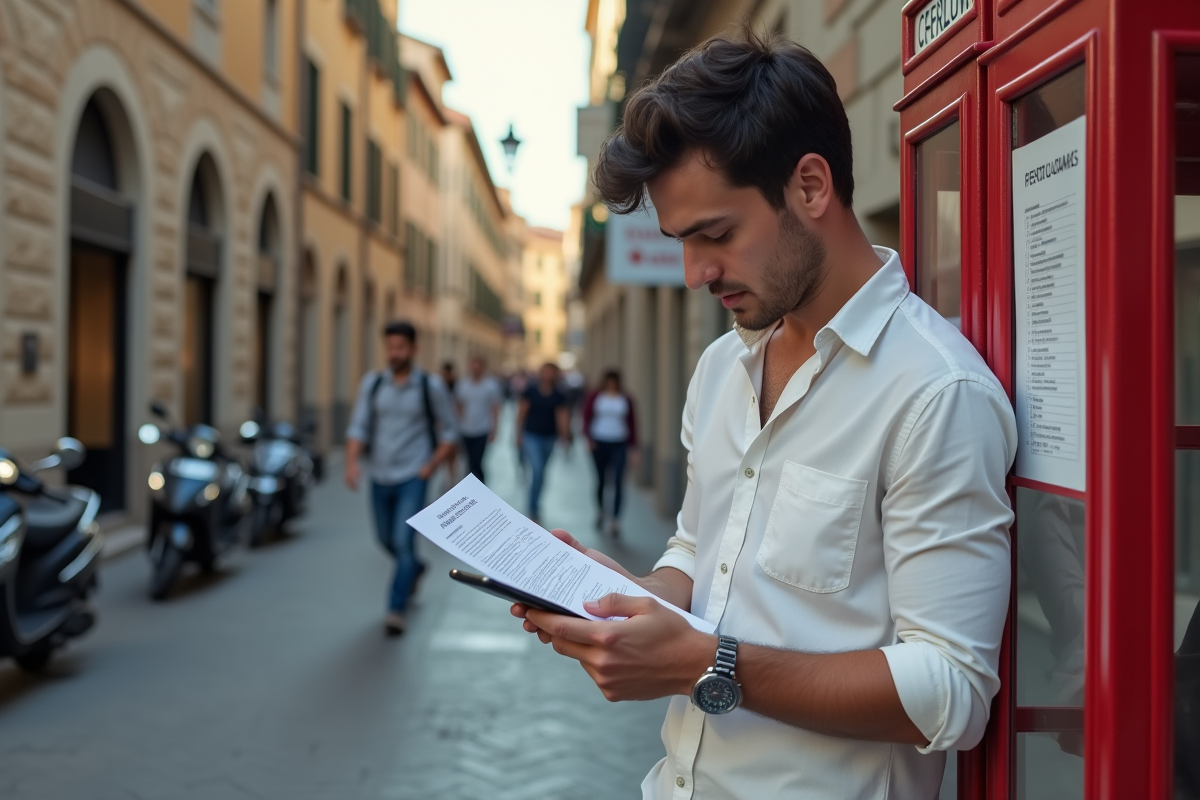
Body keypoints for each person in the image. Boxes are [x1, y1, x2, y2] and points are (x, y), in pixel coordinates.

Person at [511, 28, 1016, 800]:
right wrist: (635, 600)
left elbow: (951, 691)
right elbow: (698, 548)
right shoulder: (721, 368)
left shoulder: (935, 393)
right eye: (681, 241)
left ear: (810, 186)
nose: (694, 273)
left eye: (716, 235)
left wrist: (701, 663)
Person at [345, 321, 458, 637]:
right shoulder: (373, 384)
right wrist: (351, 462)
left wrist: (431, 465)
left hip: (413, 474)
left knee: (403, 541)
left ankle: (395, 609)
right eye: (390, 347)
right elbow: (358, 426)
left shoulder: (429, 386)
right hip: (380, 474)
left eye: (400, 347)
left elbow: (449, 431)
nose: (394, 353)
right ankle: (416, 570)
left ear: (413, 349)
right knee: (385, 539)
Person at [582, 369, 639, 536]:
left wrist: (634, 448)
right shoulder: (596, 396)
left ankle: (615, 520)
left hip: (619, 443)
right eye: (609, 380)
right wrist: (588, 438)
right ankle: (601, 512)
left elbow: (633, 423)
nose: (611, 384)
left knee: (619, 481)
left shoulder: (626, 398)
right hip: (599, 442)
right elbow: (586, 416)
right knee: (601, 481)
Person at [516, 362, 570, 523]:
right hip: (531, 436)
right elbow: (521, 413)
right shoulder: (531, 391)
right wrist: (518, 434)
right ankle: (532, 508)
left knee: (541, 474)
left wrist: (565, 437)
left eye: (551, 372)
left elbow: (562, 416)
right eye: (545, 372)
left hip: (549, 438)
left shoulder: (559, 395)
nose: (548, 375)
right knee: (537, 470)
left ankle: (536, 503)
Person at [455, 355, 503, 483]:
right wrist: (458, 425)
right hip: (466, 428)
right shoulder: (463, 384)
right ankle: (471, 485)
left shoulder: (491, 385)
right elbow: (458, 406)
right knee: (468, 460)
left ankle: (479, 484)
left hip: (483, 428)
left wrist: (495, 429)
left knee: (476, 460)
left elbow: (495, 408)